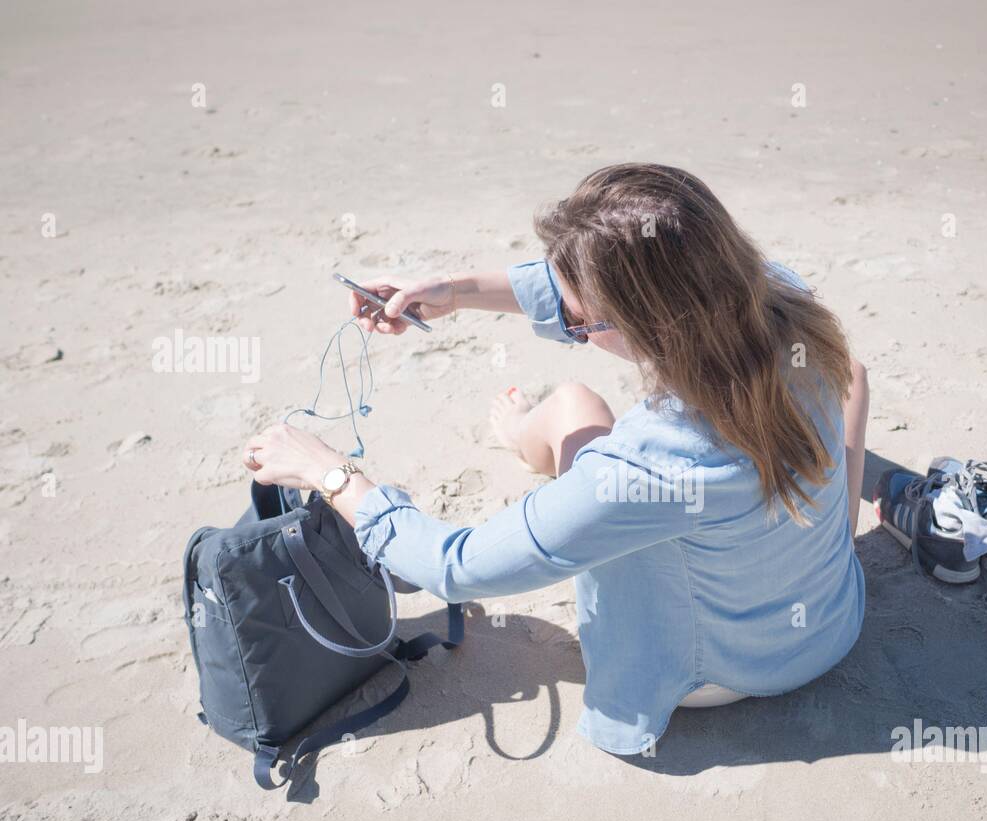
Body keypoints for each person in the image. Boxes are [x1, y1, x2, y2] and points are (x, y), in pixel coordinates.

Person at [243, 163, 868, 756]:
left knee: (572, 403)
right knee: (585, 404)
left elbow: (453, 566)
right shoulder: (776, 299)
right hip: (831, 620)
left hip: (713, 675)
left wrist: (325, 470)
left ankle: (524, 434)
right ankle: (530, 431)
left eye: (577, 323)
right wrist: (453, 291)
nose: (569, 325)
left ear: (649, 328)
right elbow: (850, 377)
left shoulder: (648, 466)